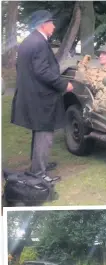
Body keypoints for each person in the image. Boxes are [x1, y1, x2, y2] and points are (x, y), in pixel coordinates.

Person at [11, 10, 73, 181]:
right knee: (44, 134)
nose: (54, 26)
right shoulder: (38, 42)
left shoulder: (29, 41)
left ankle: (39, 164)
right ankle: (39, 173)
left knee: (38, 132)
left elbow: (23, 68)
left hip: (33, 95)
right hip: (41, 97)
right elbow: (42, 71)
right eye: (51, 23)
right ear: (42, 24)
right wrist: (63, 84)